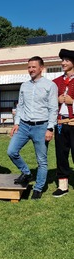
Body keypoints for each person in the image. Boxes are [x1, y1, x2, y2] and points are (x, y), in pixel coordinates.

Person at [7, 56, 58, 199]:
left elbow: (53, 108)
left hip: (41, 127)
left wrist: (50, 128)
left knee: (41, 160)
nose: (31, 70)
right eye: (29, 67)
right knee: (11, 151)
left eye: (33, 67)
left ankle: (38, 188)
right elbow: (20, 106)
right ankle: (27, 173)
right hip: (23, 125)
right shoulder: (24, 86)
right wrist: (16, 123)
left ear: (41, 68)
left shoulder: (50, 86)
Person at [52, 49, 74, 197]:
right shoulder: (55, 82)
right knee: (61, 155)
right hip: (60, 124)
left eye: (66, 60)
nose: (63, 63)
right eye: (62, 60)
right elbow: (47, 104)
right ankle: (63, 186)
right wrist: (56, 100)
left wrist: (73, 102)